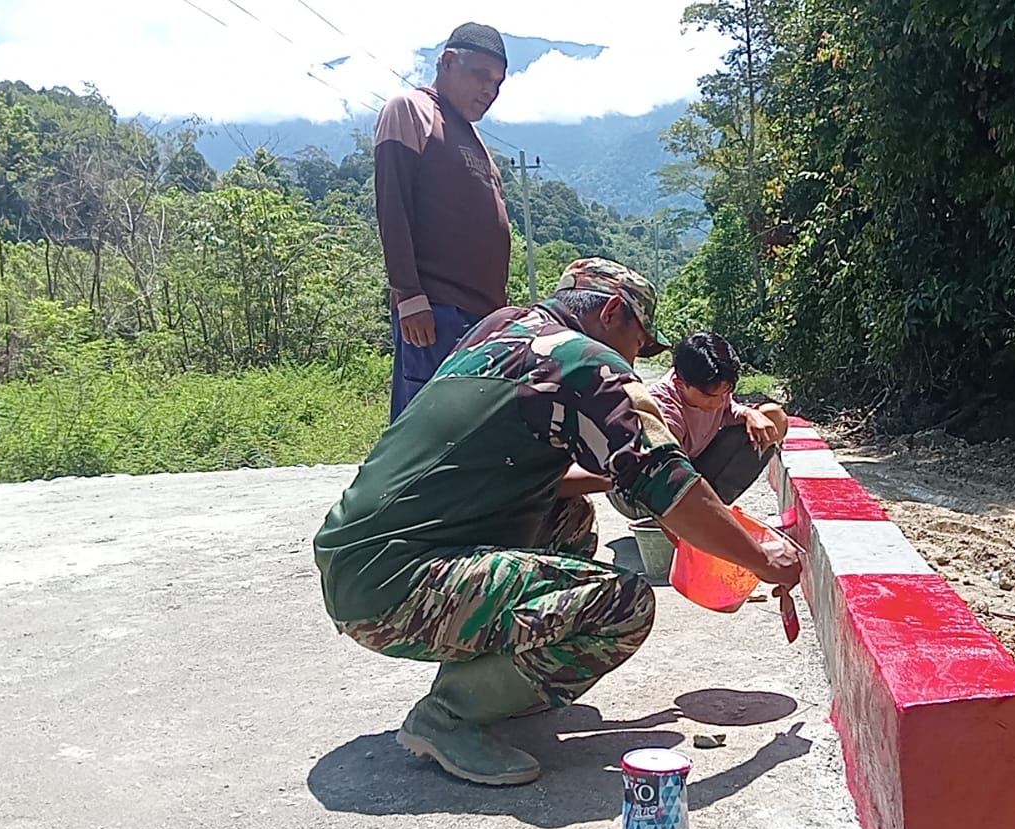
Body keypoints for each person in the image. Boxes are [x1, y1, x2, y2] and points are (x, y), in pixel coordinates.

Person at [312, 258, 804, 787]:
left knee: (568, 519)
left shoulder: (497, 329)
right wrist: (761, 557)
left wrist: (630, 477)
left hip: (355, 560)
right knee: (624, 605)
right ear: (612, 312)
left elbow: (537, 469)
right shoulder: (585, 362)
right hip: (390, 590)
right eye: (638, 342)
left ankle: (490, 679)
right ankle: (449, 715)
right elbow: (670, 484)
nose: (633, 360)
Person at [374, 22, 511, 421]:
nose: (490, 90)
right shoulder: (411, 111)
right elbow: (393, 205)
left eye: (498, 83)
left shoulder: (474, 138)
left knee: (467, 435)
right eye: (481, 75)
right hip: (435, 314)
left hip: (482, 320)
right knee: (426, 434)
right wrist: (409, 295)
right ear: (448, 62)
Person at [608, 332, 790, 521]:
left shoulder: (711, 387)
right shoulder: (664, 409)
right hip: (639, 491)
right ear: (680, 384)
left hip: (683, 468)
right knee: (676, 489)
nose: (720, 402)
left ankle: (708, 514)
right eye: (710, 396)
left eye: (726, 392)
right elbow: (666, 475)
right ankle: (695, 520)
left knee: (770, 419)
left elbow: (729, 409)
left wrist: (749, 413)